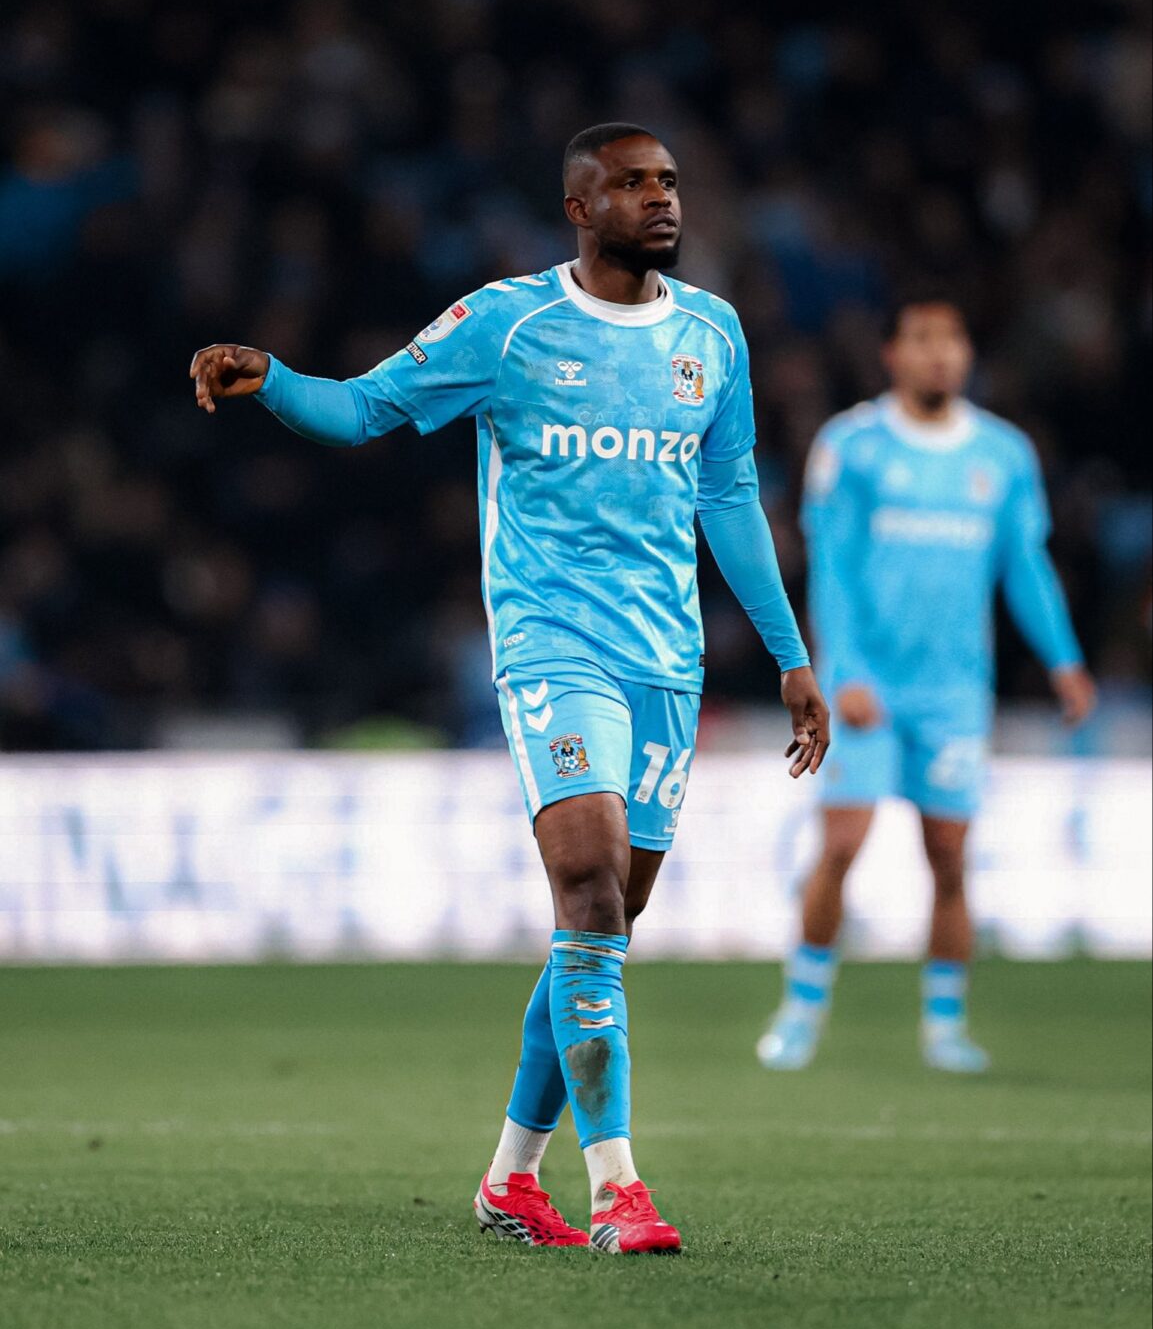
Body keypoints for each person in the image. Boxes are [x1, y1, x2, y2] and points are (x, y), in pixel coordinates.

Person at [190, 123, 830, 1253]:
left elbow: (728, 500)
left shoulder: (712, 333)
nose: (660, 200)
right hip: (551, 647)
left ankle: (508, 1181)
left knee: (605, 922)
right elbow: (364, 409)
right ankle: (618, 1189)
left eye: (669, 182)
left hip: (664, 664)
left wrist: (789, 657)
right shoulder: (506, 323)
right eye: (631, 185)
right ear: (579, 209)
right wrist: (272, 379)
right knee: (588, 889)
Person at [757, 298, 1096, 1075]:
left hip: (953, 695)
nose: (938, 354)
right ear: (891, 354)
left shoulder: (1002, 453)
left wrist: (1063, 660)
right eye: (921, 339)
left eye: (951, 339)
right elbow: (832, 567)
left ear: (967, 352)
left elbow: (1025, 565)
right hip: (865, 686)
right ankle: (800, 1010)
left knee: (947, 855)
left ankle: (944, 1025)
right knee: (841, 843)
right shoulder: (852, 446)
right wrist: (842, 671)